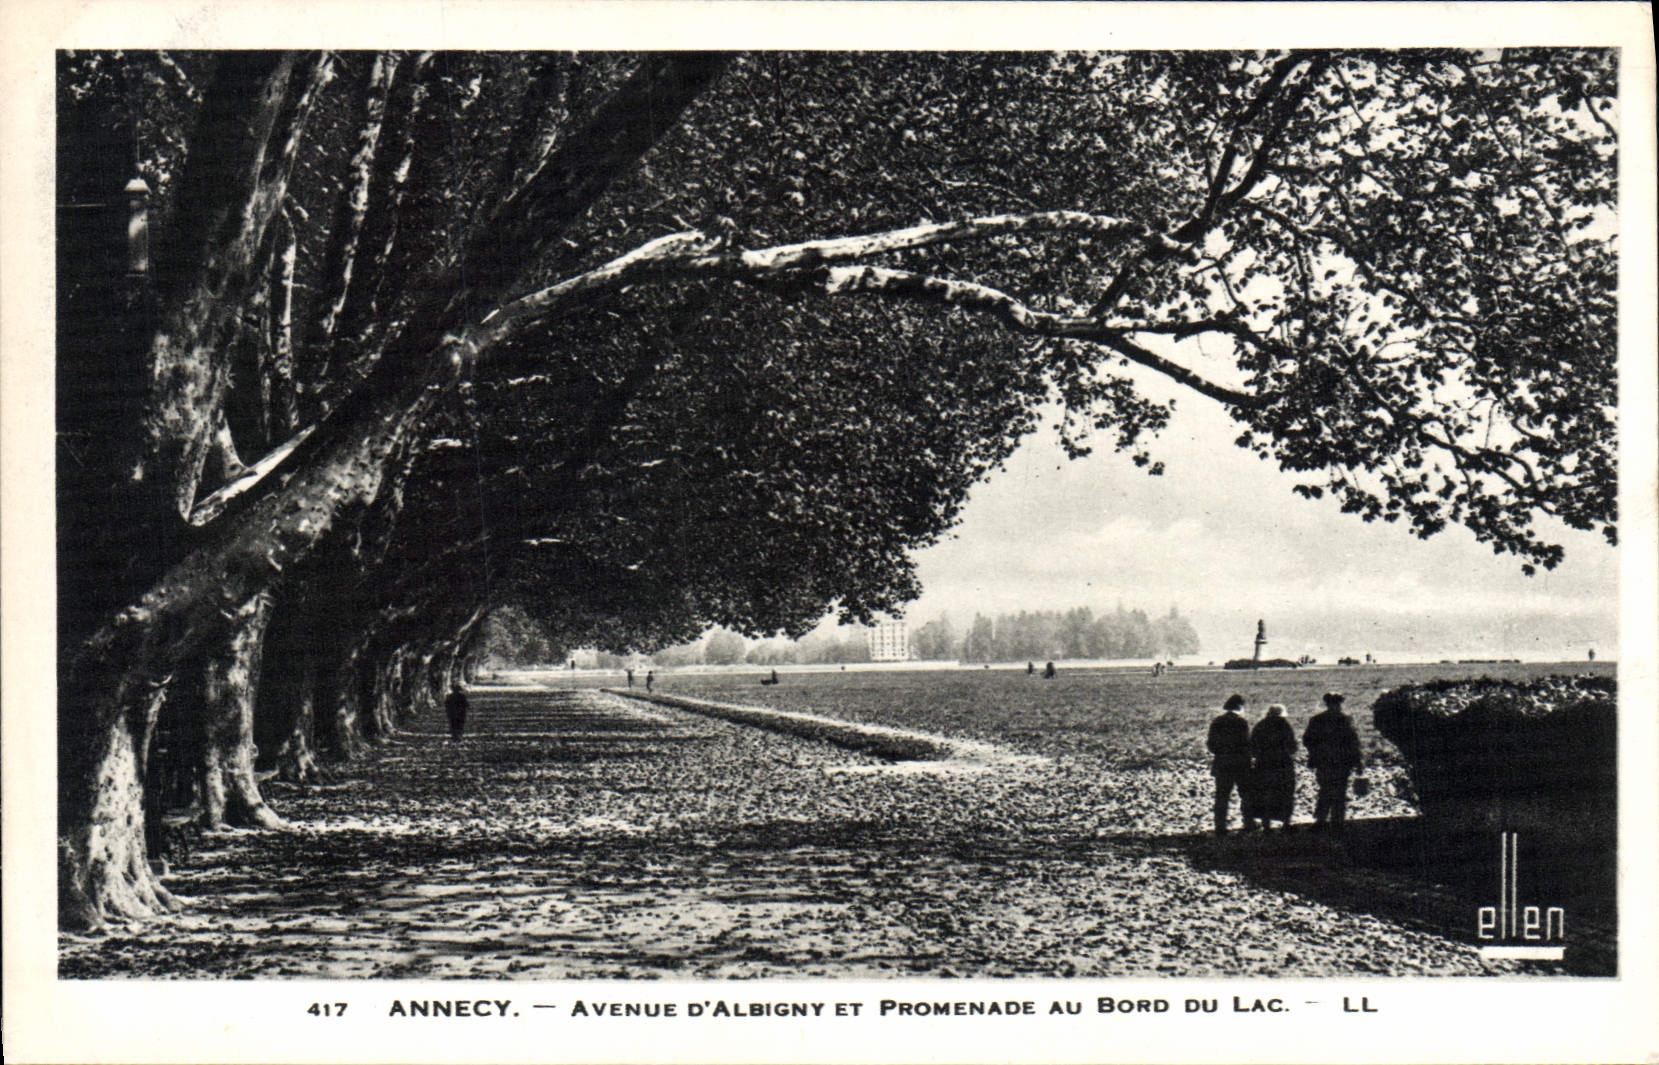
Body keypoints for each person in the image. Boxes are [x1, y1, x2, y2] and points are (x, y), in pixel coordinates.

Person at [1303, 692, 1363, 832]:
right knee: (1340, 792)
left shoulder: (1316, 720)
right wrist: (1358, 763)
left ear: (1327, 703)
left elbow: (1307, 740)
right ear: (1339, 703)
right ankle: (1337, 823)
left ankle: (1321, 821)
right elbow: (1354, 743)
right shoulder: (1345, 719)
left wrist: (1316, 753)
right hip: (1342, 762)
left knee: (1324, 790)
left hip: (1323, 762)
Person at [1207, 694, 1254, 835]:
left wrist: (1221, 752)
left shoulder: (1217, 721)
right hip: (1240, 764)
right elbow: (1246, 743)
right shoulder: (1241, 722)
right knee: (1246, 794)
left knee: (1222, 796)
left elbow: (1211, 744)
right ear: (1240, 707)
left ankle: (1220, 826)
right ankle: (1248, 823)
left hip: (1222, 763)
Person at [1250, 704, 1298, 832]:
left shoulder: (1260, 725)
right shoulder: (1284, 726)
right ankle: (1286, 823)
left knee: (1265, 794)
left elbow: (1252, 748)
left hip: (1264, 765)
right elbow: (1292, 747)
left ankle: (1266, 825)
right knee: (1286, 793)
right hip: (1283, 765)